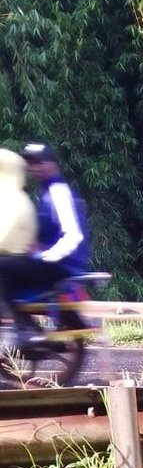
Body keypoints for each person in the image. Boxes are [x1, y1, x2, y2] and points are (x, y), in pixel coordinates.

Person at [0, 142, 91, 344]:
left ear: (52, 164)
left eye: (39, 162)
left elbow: (73, 235)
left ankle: (23, 329)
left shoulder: (58, 192)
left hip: (62, 264)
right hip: (53, 261)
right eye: (30, 163)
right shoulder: (47, 192)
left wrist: (44, 256)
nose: (34, 167)